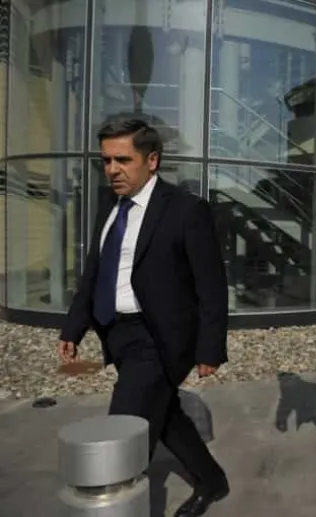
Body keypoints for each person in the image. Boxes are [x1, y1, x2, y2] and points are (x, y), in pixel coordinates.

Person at [57, 119, 229, 517]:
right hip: (117, 334)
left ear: (152, 160)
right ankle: (212, 481)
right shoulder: (109, 205)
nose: (112, 170)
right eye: (106, 161)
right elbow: (95, 270)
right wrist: (74, 327)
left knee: (122, 438)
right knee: (164, 415)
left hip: (158, 338)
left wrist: (210, 348)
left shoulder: (186, 210)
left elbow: (211, 286)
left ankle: (116, 507)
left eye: (123, 160)